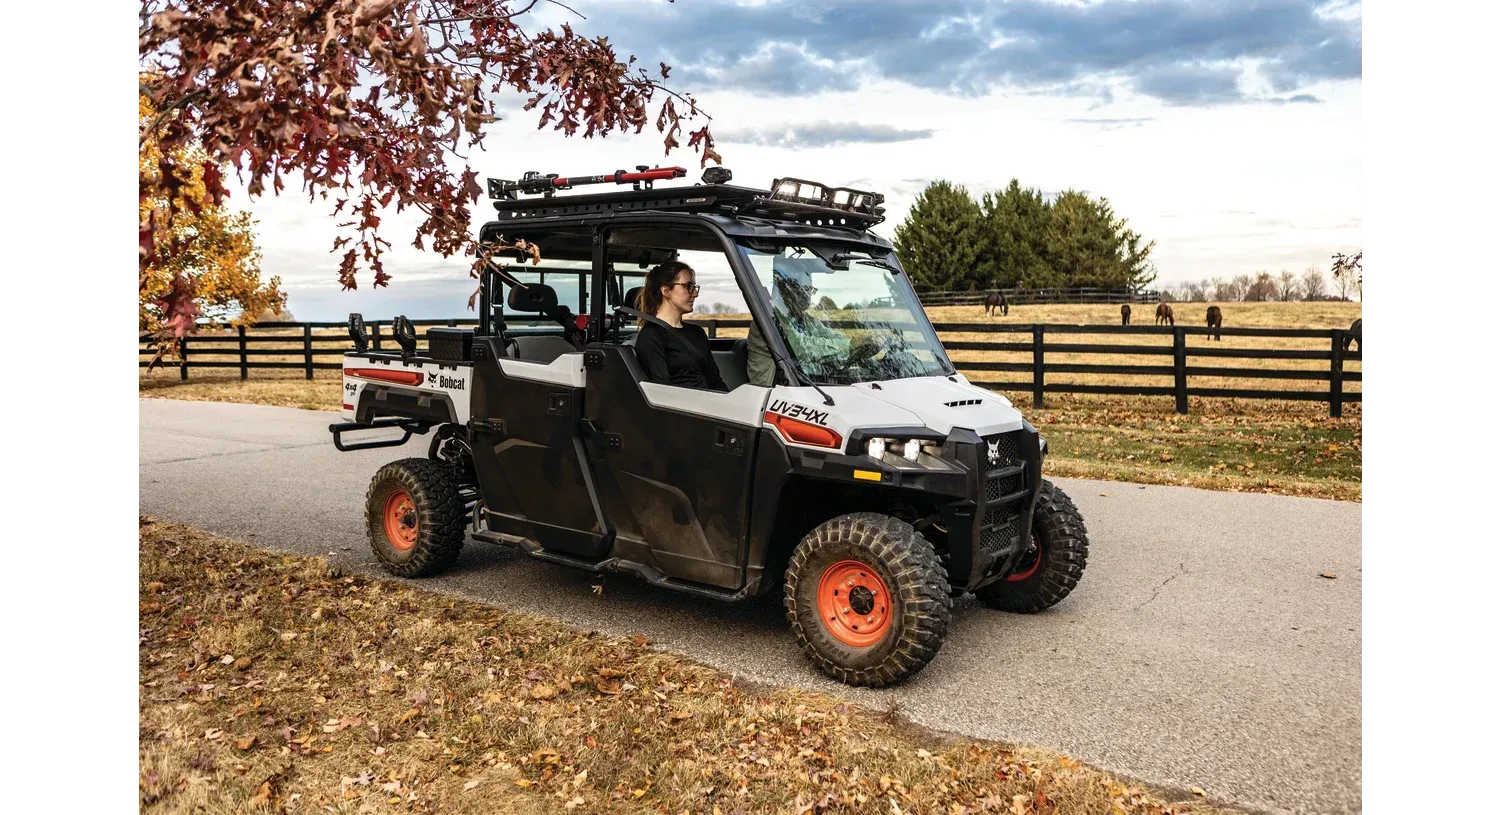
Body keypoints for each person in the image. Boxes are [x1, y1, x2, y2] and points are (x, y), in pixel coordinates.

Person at [746, 265, 870, 386]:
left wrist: (857, 344)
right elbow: (800, 347)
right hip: (772, 390)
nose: (808, 294)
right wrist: (848, 345)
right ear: (789, 290)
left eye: (810, 289)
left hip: (800, 384)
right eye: (805, 288)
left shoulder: (806, 320)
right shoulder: (769, 320)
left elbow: (830, 336)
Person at [633, 261, 729, 392]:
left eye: (695, 287)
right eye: (688, 286)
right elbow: (661, 392)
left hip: (709, 405)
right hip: (683, 409)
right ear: (666, 291)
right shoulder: (651, 335)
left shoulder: (697, 332)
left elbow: (715, 381)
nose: (695, 293)